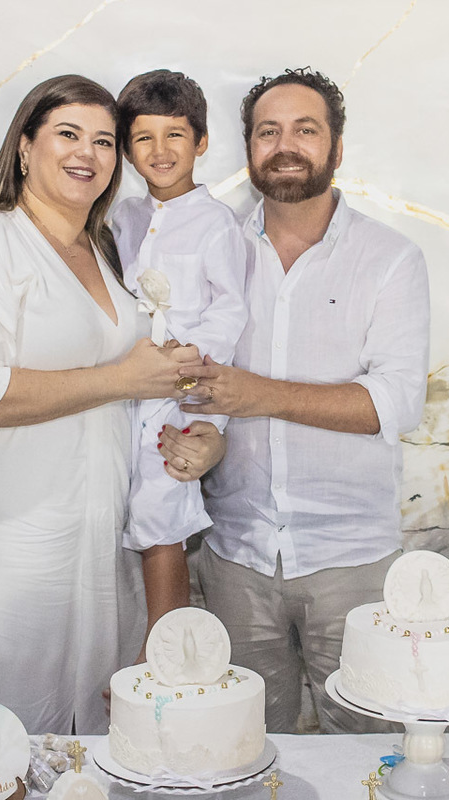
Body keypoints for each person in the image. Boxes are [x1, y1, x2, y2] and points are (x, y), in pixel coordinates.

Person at [0, 74, 222, 734]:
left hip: (103, 539)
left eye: (105, 141)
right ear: (25, 147)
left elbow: (140, 382)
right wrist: (120, 379)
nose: (88, 153)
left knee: (97, 737)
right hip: (12, 539)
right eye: (68, 134)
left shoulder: (103, 249)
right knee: (4, 735)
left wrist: (193, 424)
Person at [180, 67, 431, 733]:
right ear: (249, 150)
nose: (285, 145)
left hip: (353, 563)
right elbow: (191, 384)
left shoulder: (391, 259)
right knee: (241, 749)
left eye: (305, 130)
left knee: (372, 751)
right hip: (235, 559)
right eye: (268, 131)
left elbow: (393, 403)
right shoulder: (213, 250)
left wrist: (257, 394)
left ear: (337, 148)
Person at [108, 69, 248, 659]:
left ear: (201, 141)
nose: (160, 151)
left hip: (180, 393)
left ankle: (161, 657)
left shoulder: (216, 223)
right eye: (144, 138)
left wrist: (188, 367)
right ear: (126, 148)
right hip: (122, 388)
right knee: (117, 513)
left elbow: (230, 309)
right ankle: (117, 650)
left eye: (175, 135)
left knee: (161, 517)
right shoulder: (122, 217)